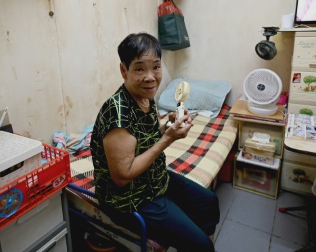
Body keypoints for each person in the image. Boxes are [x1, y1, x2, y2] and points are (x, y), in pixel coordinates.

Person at [90, 32, 219, 251]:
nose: (150, 77)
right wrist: (168, 139)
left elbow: (143, 136)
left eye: (156, 67)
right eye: (140, 68)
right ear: (124, 70)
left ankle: (189, 235)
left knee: (208, 202)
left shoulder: (144, 97)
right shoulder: (117, 114)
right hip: (129, 198)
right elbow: (122, 177)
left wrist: (168, 126)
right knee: (203, 246)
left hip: (154, 180)